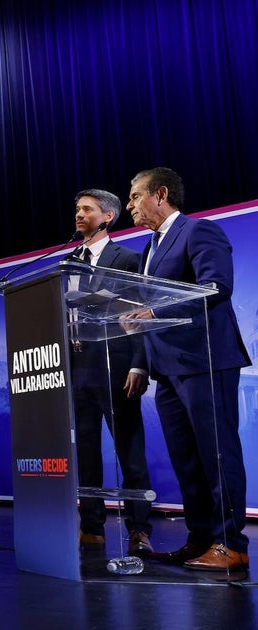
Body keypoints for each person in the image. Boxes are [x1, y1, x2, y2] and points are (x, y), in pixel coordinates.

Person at [124, 167, 251, 573]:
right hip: (166, 369)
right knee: (187, 461)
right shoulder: (149, 249)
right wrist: (141, 362)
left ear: (160, 194)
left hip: (205, 362)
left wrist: (155, 310)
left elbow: (216, 286)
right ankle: (200, 539)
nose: (129, 206)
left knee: (217, 454)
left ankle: (231, 542)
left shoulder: (198, 232)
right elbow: (146, 314)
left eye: (134, 197)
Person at [65, 189, 154, 556]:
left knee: (129, 452)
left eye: (87, 209)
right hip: (79, 368)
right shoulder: (70, 262)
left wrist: (139, 363)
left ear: (108, 216)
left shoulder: (129, 259)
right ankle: (92, 529)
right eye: (77, 209)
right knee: (85, 453)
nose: (79, 214)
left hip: (117, 367)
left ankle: (139, 530)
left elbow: (140, 314)